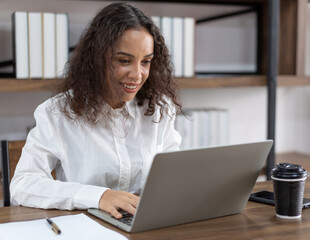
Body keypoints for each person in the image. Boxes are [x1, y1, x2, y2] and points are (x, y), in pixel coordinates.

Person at [10, 2, 182, 219]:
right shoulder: (57, 113)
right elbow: (22, 185)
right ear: (98, 58)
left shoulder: (159, 109)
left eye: (146, 62)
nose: (137, 75)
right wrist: (98, 196)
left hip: (143, 227)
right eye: (123, 61)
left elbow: (173, 176)